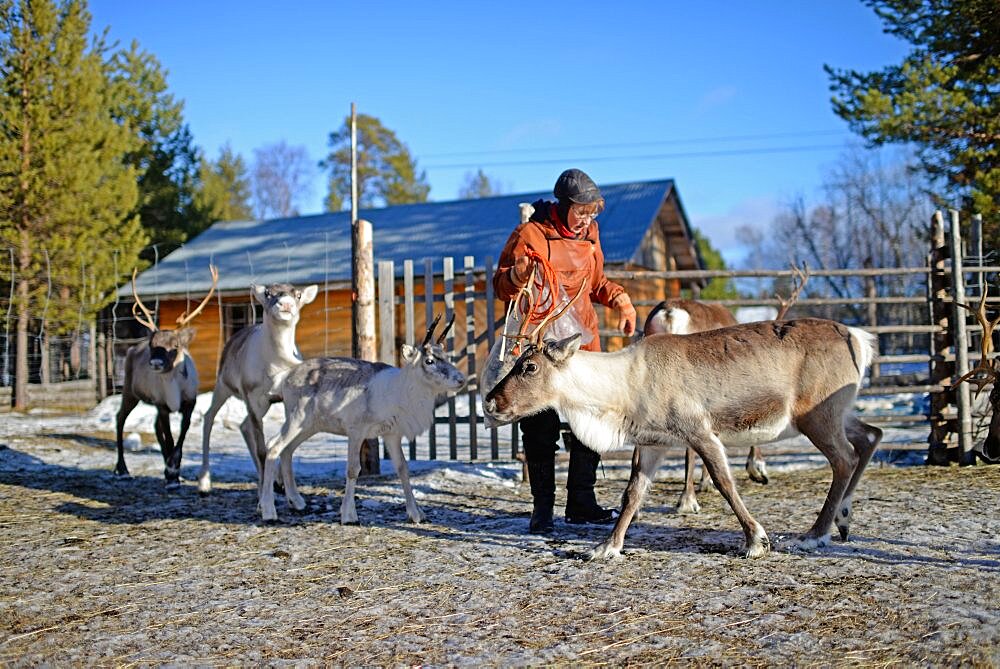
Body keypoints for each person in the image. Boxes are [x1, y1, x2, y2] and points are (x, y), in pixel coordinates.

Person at [493, 168, 637, 534]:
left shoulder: (590, 236)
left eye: (593, 211)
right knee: (539, 428)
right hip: (538, 343)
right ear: (563, 205)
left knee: (587, 422)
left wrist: (620, 301)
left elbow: (596, 283)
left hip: (579, 344)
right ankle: (542, 509)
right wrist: (517, 277)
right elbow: (501, 286)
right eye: (582, 210)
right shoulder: (532, 234)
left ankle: (581, 502)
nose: (588, 217)